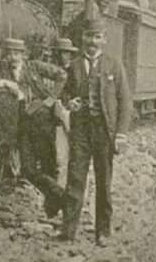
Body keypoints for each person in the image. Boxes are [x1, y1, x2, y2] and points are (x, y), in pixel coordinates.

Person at [58, 18, 132, 246]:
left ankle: (103, 232)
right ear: (83, 38)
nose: (92, 41)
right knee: (75, 179)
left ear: (104, 40)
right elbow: (64, 93)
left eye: (97, 37)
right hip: (80, 131)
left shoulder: (114, 65)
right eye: (89, 36)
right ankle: (68, 231)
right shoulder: (74, 66)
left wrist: (121, 133)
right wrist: (69, 102)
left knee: (104, 181)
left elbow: (125, 101)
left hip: (104, 132)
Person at [0, 37, 67, 218]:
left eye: (16, 53)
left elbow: (61, 74)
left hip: (43, 121)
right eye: (9, 53)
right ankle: (63, 197)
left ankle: (53, 207)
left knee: (48, 164)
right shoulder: (3, 71)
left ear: (23, 54)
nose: (13, 57)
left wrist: (51, 99)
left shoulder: (34, 67)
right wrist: (0, 82)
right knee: (28, 169)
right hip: (23, 124)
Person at [52, 37, 79, 188]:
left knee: (71, 156)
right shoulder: (52, 71)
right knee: (60, 157)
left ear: (70, 54)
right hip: (57, 115)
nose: (63, 56)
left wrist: (68, 103)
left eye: (66, 53)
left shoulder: (74, 71)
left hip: (69, 113)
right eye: (60, 53)